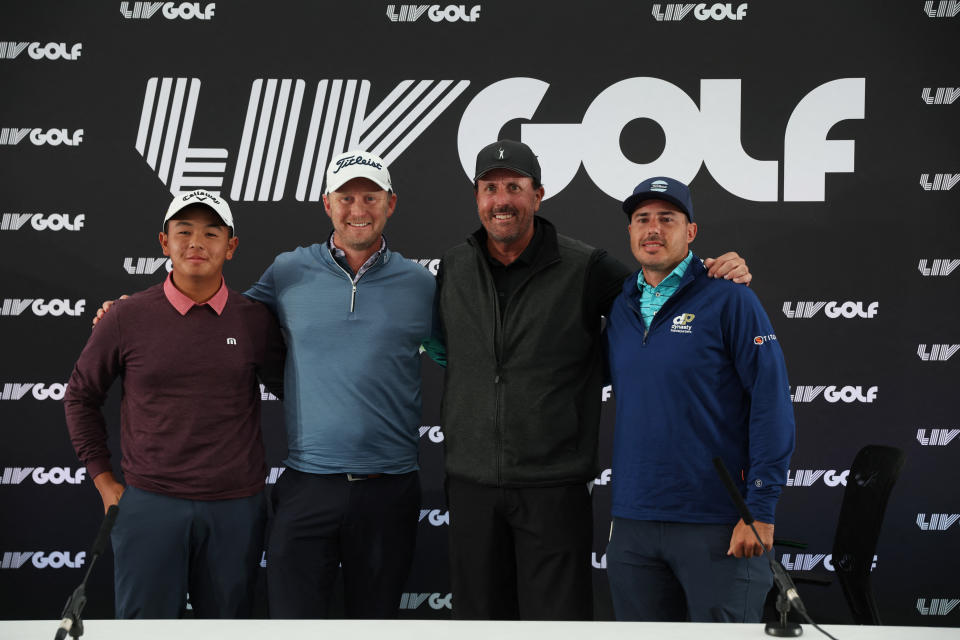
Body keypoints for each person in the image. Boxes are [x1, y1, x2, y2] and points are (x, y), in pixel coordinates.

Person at [434, 140, 752, 620]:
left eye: (515, 188)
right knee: (477, 623)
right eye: (491, 188)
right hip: (471, 482)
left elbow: (660, 292)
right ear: (477, 197)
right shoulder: (454, 266)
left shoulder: (585, 266)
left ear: (537, 195)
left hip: (553, 485)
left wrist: (713, 270)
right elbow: (442, 348)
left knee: (556, 624)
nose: (502, 200)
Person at [64, 190, 285, 618]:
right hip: (150, 503)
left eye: (211, 232)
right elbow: (80, 395)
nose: (196, 242)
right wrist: (103, 481)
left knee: (227, 627)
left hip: (236, 507)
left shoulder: (255, 319)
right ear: (164, 242)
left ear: (231, 246)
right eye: (183, 231)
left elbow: (298, 388)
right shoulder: (125, 317)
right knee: (144, 629)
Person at [244, 151, 436, 618]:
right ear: (326, 203)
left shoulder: (421, 284)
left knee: (375, 624)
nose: (358, 209)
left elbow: (467, 353)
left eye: (370, 196)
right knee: (293, 625)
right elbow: (219, 322)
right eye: (346, 197)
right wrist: (134, 312)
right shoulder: (287, 271)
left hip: (389, 487)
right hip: (308, 484)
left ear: (391, 203)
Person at [603, 176, 795, 622]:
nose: (653, 229)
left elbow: (771, 405)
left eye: (666, 219)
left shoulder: (730, 298)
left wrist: (760, 510)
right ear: (630, 232)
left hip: (718, 522)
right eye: (642, 219)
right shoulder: (620, 306)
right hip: (633, 523)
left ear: (690, 232)